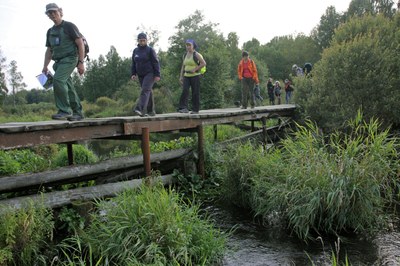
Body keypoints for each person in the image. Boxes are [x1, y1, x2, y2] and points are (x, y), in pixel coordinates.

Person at [42, 3, 85, 121]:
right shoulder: (50, 31)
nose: (52, 14)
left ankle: (64, 110)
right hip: (59, 63)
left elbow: (80, 43)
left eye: (54, 12)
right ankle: (78, 112)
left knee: (58, 80)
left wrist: (81, 62)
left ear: (60, 12)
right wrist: (45, 66)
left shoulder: (69, 26)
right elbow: (49, 50)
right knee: (68, 86)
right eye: (49, 13)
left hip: (70, 58)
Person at [131, 32, 161, 117]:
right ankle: (151, 111)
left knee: (145, 90)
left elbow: (156, 62)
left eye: (144, 40)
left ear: (146, 40)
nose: (142, 42)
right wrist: (133, 73)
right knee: (148, 91)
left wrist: (157, 74)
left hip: (150, 73)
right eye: (141, 41)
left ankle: (139, 108)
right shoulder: (135, 51)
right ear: (138, 41)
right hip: (140, 74)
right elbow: (133, 63)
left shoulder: (150, 50)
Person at [178, 39, 206, 114]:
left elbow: (203, 63)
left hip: (195, 76)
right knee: (185, 91)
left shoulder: (196, 54)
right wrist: (181, 76)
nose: (188, 47)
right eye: (187, 45)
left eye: (189, 45)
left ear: (193, 46)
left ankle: (195, 109)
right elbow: (183, 66)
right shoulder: (184, 55)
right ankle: (183, 108)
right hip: (186, 75)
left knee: (195, 92)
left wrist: (195, 69)